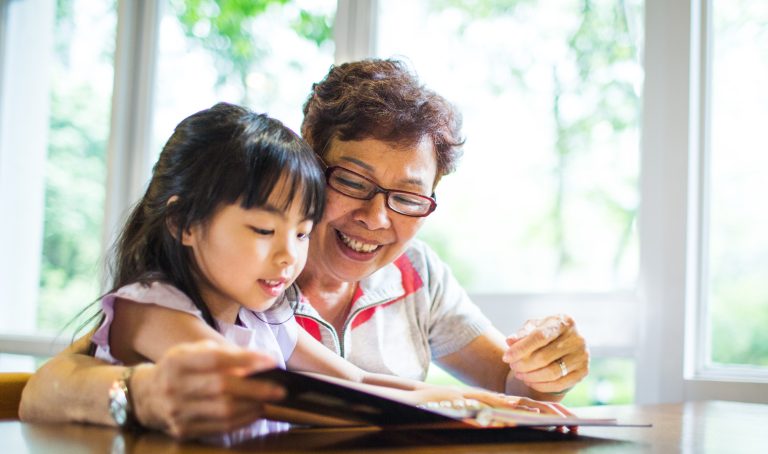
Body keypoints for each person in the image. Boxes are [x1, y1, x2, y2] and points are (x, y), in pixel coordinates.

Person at [20, 60, 588, 438]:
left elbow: (362, 383)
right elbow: (55, 382)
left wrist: (514, 393)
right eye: (352, 182)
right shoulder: (187, 293)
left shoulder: (276, 304)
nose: (375, 216)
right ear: (311, 165)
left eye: (408, 197)